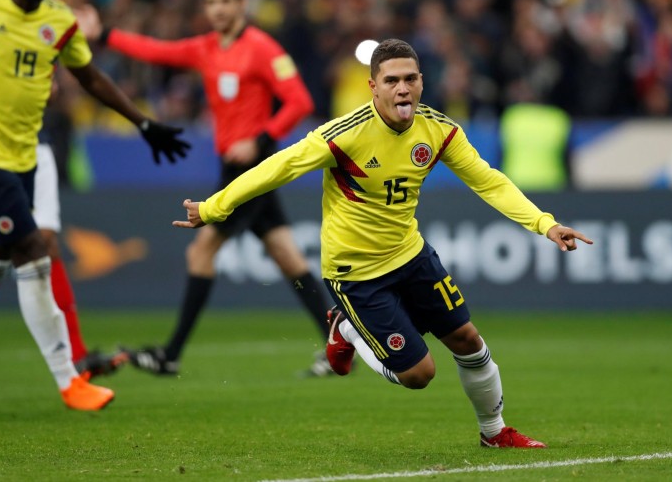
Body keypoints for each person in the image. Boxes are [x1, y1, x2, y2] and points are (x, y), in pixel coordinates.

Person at [172, 39, 593, 447]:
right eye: (391, 80)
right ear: (373, 86)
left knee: (468, 339)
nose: (402, 88)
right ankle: (347, 330)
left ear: (422, 82)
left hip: (410, 256)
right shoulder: (343, 135)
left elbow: (489, 181)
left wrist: (544, 224)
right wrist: (213, 207)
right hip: (356, 272)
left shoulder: (438, 130)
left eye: (410, 78)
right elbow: (278, 168)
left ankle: (495, 432)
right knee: (419, 375)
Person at [0, 0, 190, 410]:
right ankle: (69, 380)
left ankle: (68, 375)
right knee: (35, 250)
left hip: (24, 157)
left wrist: (143, 122)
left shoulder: (59, 19)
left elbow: (90, 76)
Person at [80, 0, 334, 376]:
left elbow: (299, 101)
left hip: (253, 165)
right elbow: (157, 51)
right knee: (287, 256)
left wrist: (260, 137)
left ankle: (171, 354)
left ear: (241, 4)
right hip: (233, 165)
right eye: (211, 2)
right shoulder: (206, 48)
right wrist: (104, 34)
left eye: (225, 1)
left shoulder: (262, 49)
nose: (217, 9)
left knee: (200, 252)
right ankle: (340, 347)